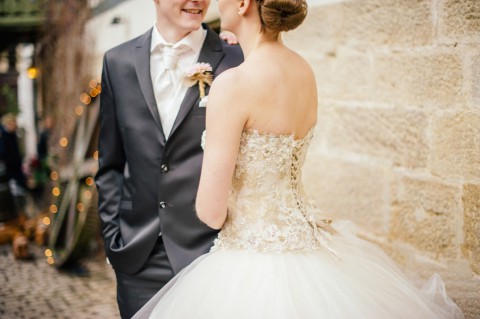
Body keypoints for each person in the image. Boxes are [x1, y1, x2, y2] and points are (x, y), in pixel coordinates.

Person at [132, 0, 465, 317]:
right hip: (312, 249)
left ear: (244, 3)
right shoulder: (303, 70)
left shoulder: (233, 84)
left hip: (251, 263)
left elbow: (211, 212)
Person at [95, 0, 243, 316]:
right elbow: (109, 164)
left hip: (212, 254)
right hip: (138, 256)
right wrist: (113, 239)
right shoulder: (117, 62)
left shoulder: (235, 58)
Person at [0, 113, 27, 221]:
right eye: (13, 123)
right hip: (10, 171)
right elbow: (4, 154)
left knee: (21, 192)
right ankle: (19, 217)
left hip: (16, 169)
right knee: (16, 196)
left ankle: (22, 217)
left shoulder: (12, 135)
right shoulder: (4, 137)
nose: (15, 125)